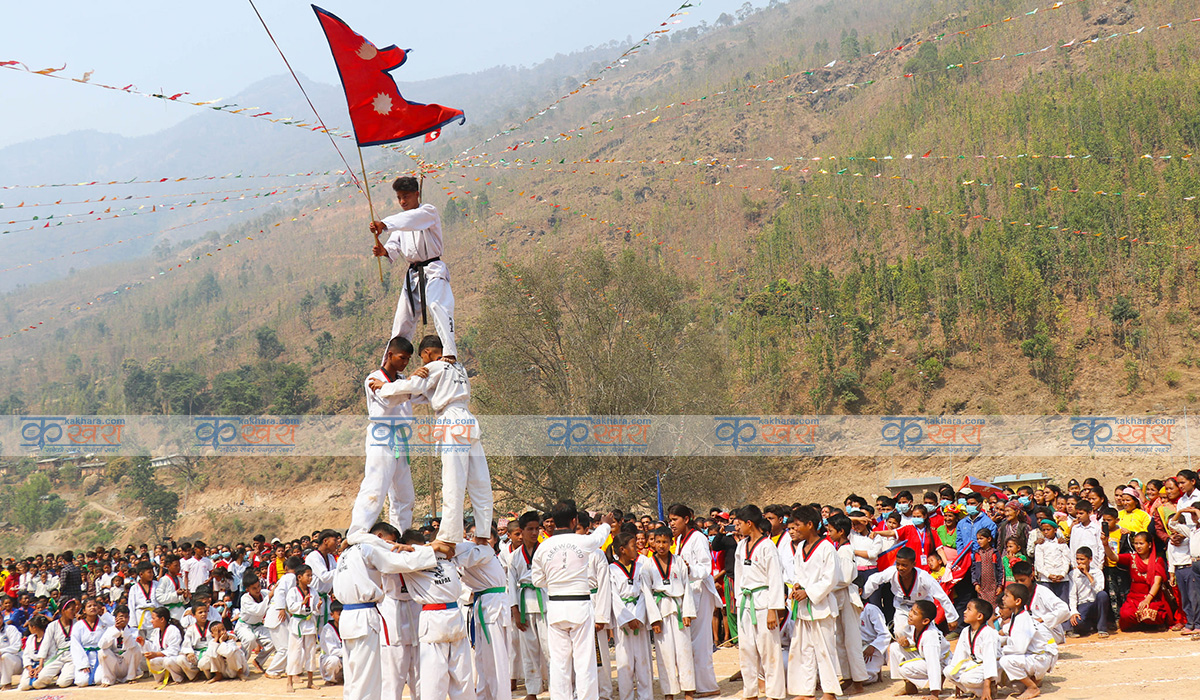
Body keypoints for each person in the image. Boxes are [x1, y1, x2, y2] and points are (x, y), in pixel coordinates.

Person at [368, 335, 491, 545]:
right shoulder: (458, 367)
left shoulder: (436, 366)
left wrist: (383, 386)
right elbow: (423, 392)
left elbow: (413, 387)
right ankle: (483, 533)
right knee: (480, 481)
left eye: (421, 359)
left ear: (427, 353)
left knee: (453, 481)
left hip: (452, 421)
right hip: (469, 420)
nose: (422, 364)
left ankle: (449, 537)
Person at [330, 520, 445, 700]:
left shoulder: (351, 552)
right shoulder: (370, 551)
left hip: (413, 610)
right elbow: (396, 563)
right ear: (379, 537)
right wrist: (430, 550)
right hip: (389, 612)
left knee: (419, 672)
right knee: (390, 674)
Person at [531, 501, 613, 700]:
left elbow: (537, 580)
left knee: (559, 662)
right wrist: (606, 524)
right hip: (580, 606)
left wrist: (555, 582)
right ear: (574, 520)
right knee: (584, 661)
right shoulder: (582, 541)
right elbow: (600, 536)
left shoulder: (543, 547)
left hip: (556, 606)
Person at [370, 175, 458, 361]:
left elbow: (411, 219)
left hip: (433, 269)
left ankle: (449, 353)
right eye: (399, 197)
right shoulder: (401, 223)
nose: (402, 201)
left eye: (406, 196)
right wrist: (383, 250)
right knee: (401, 321)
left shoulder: (428, 212)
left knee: (437, 305)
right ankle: (390, 364)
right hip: (413, 275)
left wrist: (384, 224)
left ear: (417, 194)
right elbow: (393, 246)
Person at [398, 527, 489, 700]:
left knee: (462, 675)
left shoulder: (444, 556)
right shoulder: (407, 560)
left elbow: (449, 549)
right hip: (433, 617)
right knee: (434, 677)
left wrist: (436, 547)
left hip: (454, 614)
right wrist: (426, 549)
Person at [352, 336, 419, 541]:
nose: (405, 363)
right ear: (390, 355)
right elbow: (388, 399)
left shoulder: (402, 380)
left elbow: (415, 393)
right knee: (375, 488)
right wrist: (410, 385)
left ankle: (400, 536)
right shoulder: (373, 378)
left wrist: (412, 383)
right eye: (402, 358)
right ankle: (358, 533)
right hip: (381, 436)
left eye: (408, 359)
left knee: (404, 495)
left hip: (401, 437)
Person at [786, 505, 841, 700]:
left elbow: (831, 578)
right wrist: (797, 586)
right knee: (804, 650)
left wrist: (808, 592)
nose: (795, 529)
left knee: (825, 650)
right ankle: (806, 691)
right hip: (803, 608)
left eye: (798, 525)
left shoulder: (826, 547)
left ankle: (829, 691)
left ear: (810, 525)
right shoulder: (800, 547)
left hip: (821, 606)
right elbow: (798, 573)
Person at [731, 506, 784, 700]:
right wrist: (738, 602)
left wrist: (773, 609)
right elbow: (738, 576)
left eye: (739, 524)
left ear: (749, 523)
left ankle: (774, 693)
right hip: (746, 602)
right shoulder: (740, 546)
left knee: (769, 649)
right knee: (746, 650)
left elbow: (775, 579)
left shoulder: (767, 546)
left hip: (764, 602)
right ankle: (750, 692)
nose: (737, 528)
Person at [668, 504, 722, 697]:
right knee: (691, 641)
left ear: (686, 519)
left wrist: (689, 570)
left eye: (675, 519)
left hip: (701, 591)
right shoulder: (680, 539)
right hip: (689, 593)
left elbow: (706, 567)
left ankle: (707, 686)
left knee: (701, 642)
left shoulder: (698, 537)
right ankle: (695, 683)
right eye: (670, 520)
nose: (671, 524)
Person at [457, 526, 510, 700]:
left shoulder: (485, 551)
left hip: (493, 607)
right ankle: (484, 695)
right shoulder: (467, 548)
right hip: (482, 604)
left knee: (496, 659)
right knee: (481, 658)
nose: (478, 539)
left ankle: (499, 696)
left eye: (484, 536)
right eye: (472, 535)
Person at [646, 525, 696, 700]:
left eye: (665, 542)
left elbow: (687, 588)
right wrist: (654, 619)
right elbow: (646, 593)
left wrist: (688, 612)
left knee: (684, 651)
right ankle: (669, 692)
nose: (661, 545)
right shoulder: (648, 564)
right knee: (664, 653)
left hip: (679, 609)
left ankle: (689, 690)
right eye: (658, 542)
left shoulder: (679, 561)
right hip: (660, 610)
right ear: (653, 544)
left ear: (671, 542)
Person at [863, 547, 959, 635]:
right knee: (899, 632)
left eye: (904, 565)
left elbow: (941, 596)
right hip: (902, 606)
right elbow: (873, 580)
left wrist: (951, 617)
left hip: (922, 607)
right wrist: (863, 597)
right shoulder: (892, 572)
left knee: (926, 634)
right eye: (898, 564)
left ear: (913, 564)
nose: (900, 568)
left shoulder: (923, 577)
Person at [609, 531, 658, 700]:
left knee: (643, 661)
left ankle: (646, 696)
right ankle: (626, 696)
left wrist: (638, 616)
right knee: (625, 662)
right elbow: (613, 596)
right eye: (632, 545)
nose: (636, 547)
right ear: (622, 549)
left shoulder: (641, 568)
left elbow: (645, 593)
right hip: (623, 620)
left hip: (640, 616)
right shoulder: (611, 570)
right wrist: (628, 618)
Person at [824, 512, 867, 694]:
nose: (828, 533)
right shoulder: (838, 548)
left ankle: (858, 681)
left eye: (831, 530)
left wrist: (827, 585)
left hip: (847, 597)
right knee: (840, 640)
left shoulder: (845, 550)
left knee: (851, 640)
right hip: (838, 597)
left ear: (841, 531)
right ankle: (848, 677)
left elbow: (846, 578)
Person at [509, 511, 549, 700]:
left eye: (537, 529)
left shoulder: (546, 551)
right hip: (525, 605)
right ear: (521, 531)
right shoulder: (515, 556)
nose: (534, 533)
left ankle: (557, 686)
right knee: (528, 650)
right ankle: (532, 691)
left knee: (550, 648)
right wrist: (515, 610)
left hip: (545, 604)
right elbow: (511, 584)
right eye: (530, 529)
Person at [997, 584, 1057, 700]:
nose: (1003, 598)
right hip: (1035, 656)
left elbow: (1019, 649)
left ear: (1017, 601)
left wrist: (1001, 651)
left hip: (1040, 657)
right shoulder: (1017, 615)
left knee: (1005, 660)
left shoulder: (1023, 618)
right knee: (1016, 685)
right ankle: (1033, 680)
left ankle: (1032, 687)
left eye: (1006, 596)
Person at [1104, 531, 1170, 631]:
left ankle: (1153, 624)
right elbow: (1113, 557)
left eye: (1141, 543)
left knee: (1149, 614)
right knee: (1126, 615)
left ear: (1150, 545)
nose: (1138, 546)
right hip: (1134, 598)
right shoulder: (1132, 558)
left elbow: (1157, 583)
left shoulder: (1157, 560)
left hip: (1151, 597)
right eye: (1136, 543)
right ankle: (1141, 625)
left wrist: (1147, 600)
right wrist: (1105, 544)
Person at [886, 599, 950, 697]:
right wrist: (907, 642)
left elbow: (933, 663)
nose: (910, 614)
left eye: (915, 613)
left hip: (942, 663)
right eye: (911, 610)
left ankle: (938, 683)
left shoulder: (930, 636)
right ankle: (909, 685)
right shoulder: (916, 626)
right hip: (925, 656)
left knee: (904, 668)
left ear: (925, 621)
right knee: (895, 647)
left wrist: (934, 693)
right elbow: (918, 643)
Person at [943, 598, 999, 699]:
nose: (965, 612)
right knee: (948, 671)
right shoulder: (965, 631)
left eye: (969, 609)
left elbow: (989, 659)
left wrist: (987, 684)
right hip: (975, 665)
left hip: (988, 666)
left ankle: (988, 688)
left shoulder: (988, 633)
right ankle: (976, 690)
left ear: (979, 616)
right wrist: (957, 684)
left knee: (966, 678)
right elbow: (959, 656)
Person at [285, 564, 321, 691]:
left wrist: (318, 606)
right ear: (299, 577)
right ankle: (290, 682)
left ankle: (310, 681)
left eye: (311, 575)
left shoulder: (313, 591)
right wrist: (302, 603)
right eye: (308, 575)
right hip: (297, 625)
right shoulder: (293, 592)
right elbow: (290, 607)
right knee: (295, 652)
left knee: (311, 652)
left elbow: (315, 608)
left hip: (310, 623)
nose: (310, 578)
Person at [32, 597, 76, 689]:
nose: (74, 612)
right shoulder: (53, 625)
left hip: (73, 657)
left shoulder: (77, 623)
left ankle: (66, 674)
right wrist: (41, 665)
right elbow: (45, 644)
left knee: (63, 683)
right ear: (63, 610)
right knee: (41, 679)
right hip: (59, 656)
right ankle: (58, 673)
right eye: (72, 610)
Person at [1067, 547, 1110, 638]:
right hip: (1083, 604)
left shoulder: (1097, 572)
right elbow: (1072, 595)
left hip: (1095, 603)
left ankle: (1102, 628)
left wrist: (1087, 574)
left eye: (1082, 559)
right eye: (1077, 559)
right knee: (1077, 623)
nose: (1079, 562)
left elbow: (1099, 590)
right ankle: (1089, 626)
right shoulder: (1073, 574)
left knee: (1103, 595)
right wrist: (1074, 611)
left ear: (1090, 559)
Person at [143, 606, 190, 688]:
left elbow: (174, 650)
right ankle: (163, 679)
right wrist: (144, 643)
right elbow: (155, 647)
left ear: (162, 619)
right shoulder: (157, 631)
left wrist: (157, 654)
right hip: (164, 657)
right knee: (153, 661)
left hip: (175, 658)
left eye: (153, 618)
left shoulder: (173, 629)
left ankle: (179, 678)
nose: (151, 621)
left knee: (168, 661)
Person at [96, 605, 142, 686]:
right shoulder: (110, 630)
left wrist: (124, 630)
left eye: (126, 617)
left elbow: (131, 645)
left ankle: (130, 677)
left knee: (136, 648)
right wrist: (116, 630)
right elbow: (102, 645)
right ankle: (109, 679)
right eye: (121, 617)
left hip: (127, 663)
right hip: (114, 663)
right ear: (115, 618)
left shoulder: (134, 631)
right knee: (102, 652)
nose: (124, 619)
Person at [234, 572, 272, 671]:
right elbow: (258, 610)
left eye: (258, 586)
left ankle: (258, 661)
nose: (258, 589)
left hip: (259, 626)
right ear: (248, 590)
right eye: (254, 588)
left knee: (274, 641)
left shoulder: (265, 593)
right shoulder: (245, 598)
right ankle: (240, 666)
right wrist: (269, 597)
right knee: (250, 639)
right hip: (244, 626)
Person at [69, 598, 109, 686]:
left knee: (99, 680)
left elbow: (113, 629)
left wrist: (105, 615)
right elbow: (76, 646)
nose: (92, 608)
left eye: (95, 605)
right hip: (85, 655)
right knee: (82, 681)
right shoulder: (78, 626)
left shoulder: (104, 623)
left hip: (101, 656)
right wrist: (83, 664)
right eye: (89, 606)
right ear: (84, 610)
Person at [1032, 520, 1071, 602]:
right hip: (1046, 580)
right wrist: (1048, 575)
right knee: (1048, 603)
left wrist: (1062, 574)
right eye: (1044, 530)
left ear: (1055, 530)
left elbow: (1066, 560)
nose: (1046, 532)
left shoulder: (1061, 544)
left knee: (1063, 603)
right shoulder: (1040, 545)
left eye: (1048, 529)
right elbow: (1039, 565)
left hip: (1062, 579)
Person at [207, 618, 250, 682]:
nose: (222, 632)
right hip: (223, 671)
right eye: (218, 632)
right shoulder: (212, 642)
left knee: (234, 653)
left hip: (234, 670)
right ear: (212, 634)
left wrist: (221, 642)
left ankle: (240, 673)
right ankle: (218, 675)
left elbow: (228, 652)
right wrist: (216, 640)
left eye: (223, 629)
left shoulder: (231, 639)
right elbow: (211, 654)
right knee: (212, 654)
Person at [857, 602, 890, 685]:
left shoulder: (871, 609)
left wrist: (873, 646)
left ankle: (875, 674)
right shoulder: (847, 610)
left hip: (872, 649)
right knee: (851, 677)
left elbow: (885, 634)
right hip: (856, 648)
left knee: (863, 679)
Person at [17, 615, 47, 691]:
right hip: (32, 665)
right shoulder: (30, 638)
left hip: (44, 664)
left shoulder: (48, 637)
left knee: (37, 684)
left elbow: (51, 655)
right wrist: (30, 668)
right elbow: (26, 655)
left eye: (29, 627)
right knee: (24, 686)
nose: (29, 629)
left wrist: (40, 666)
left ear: (34, 627)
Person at [155, 556, 188, 621]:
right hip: (170, 611)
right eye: (176, 566)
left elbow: (183, 599)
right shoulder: (163, 580)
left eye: (179, 566)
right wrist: (176, 594)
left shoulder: (180, 579)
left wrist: (185, 596)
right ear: (168, 566)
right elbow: (159, 598)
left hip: (181, 610)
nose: (178, 568)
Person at [319, 602, 344, 685]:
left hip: (344, 656)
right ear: (332, 615)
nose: (342, 617)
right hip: (330, 657)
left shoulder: (347, 627)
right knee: (334, 661)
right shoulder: (327, 629)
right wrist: (347, 652)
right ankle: (329, 679)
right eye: (339, 614)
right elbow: (332, 651)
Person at [0, 610, 20, 689]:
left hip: (15, 660)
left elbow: (16, 647)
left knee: (5, 656)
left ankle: (6, 683)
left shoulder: (11, 629)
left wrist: (1, 651)